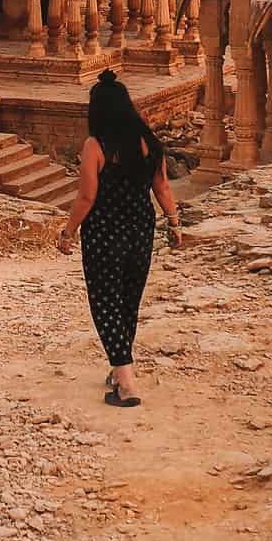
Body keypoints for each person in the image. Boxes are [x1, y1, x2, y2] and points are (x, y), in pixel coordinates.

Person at [55, 69, 182, 408]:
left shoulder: (96, 146)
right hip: (141, 230)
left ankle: (126, 382)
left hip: (103, 234)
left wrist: (68, 233)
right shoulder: (148, 144)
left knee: (105, 302)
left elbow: (86, 198)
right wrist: (174, 224)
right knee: (128, 301)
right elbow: (163, 188)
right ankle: (118, 367)